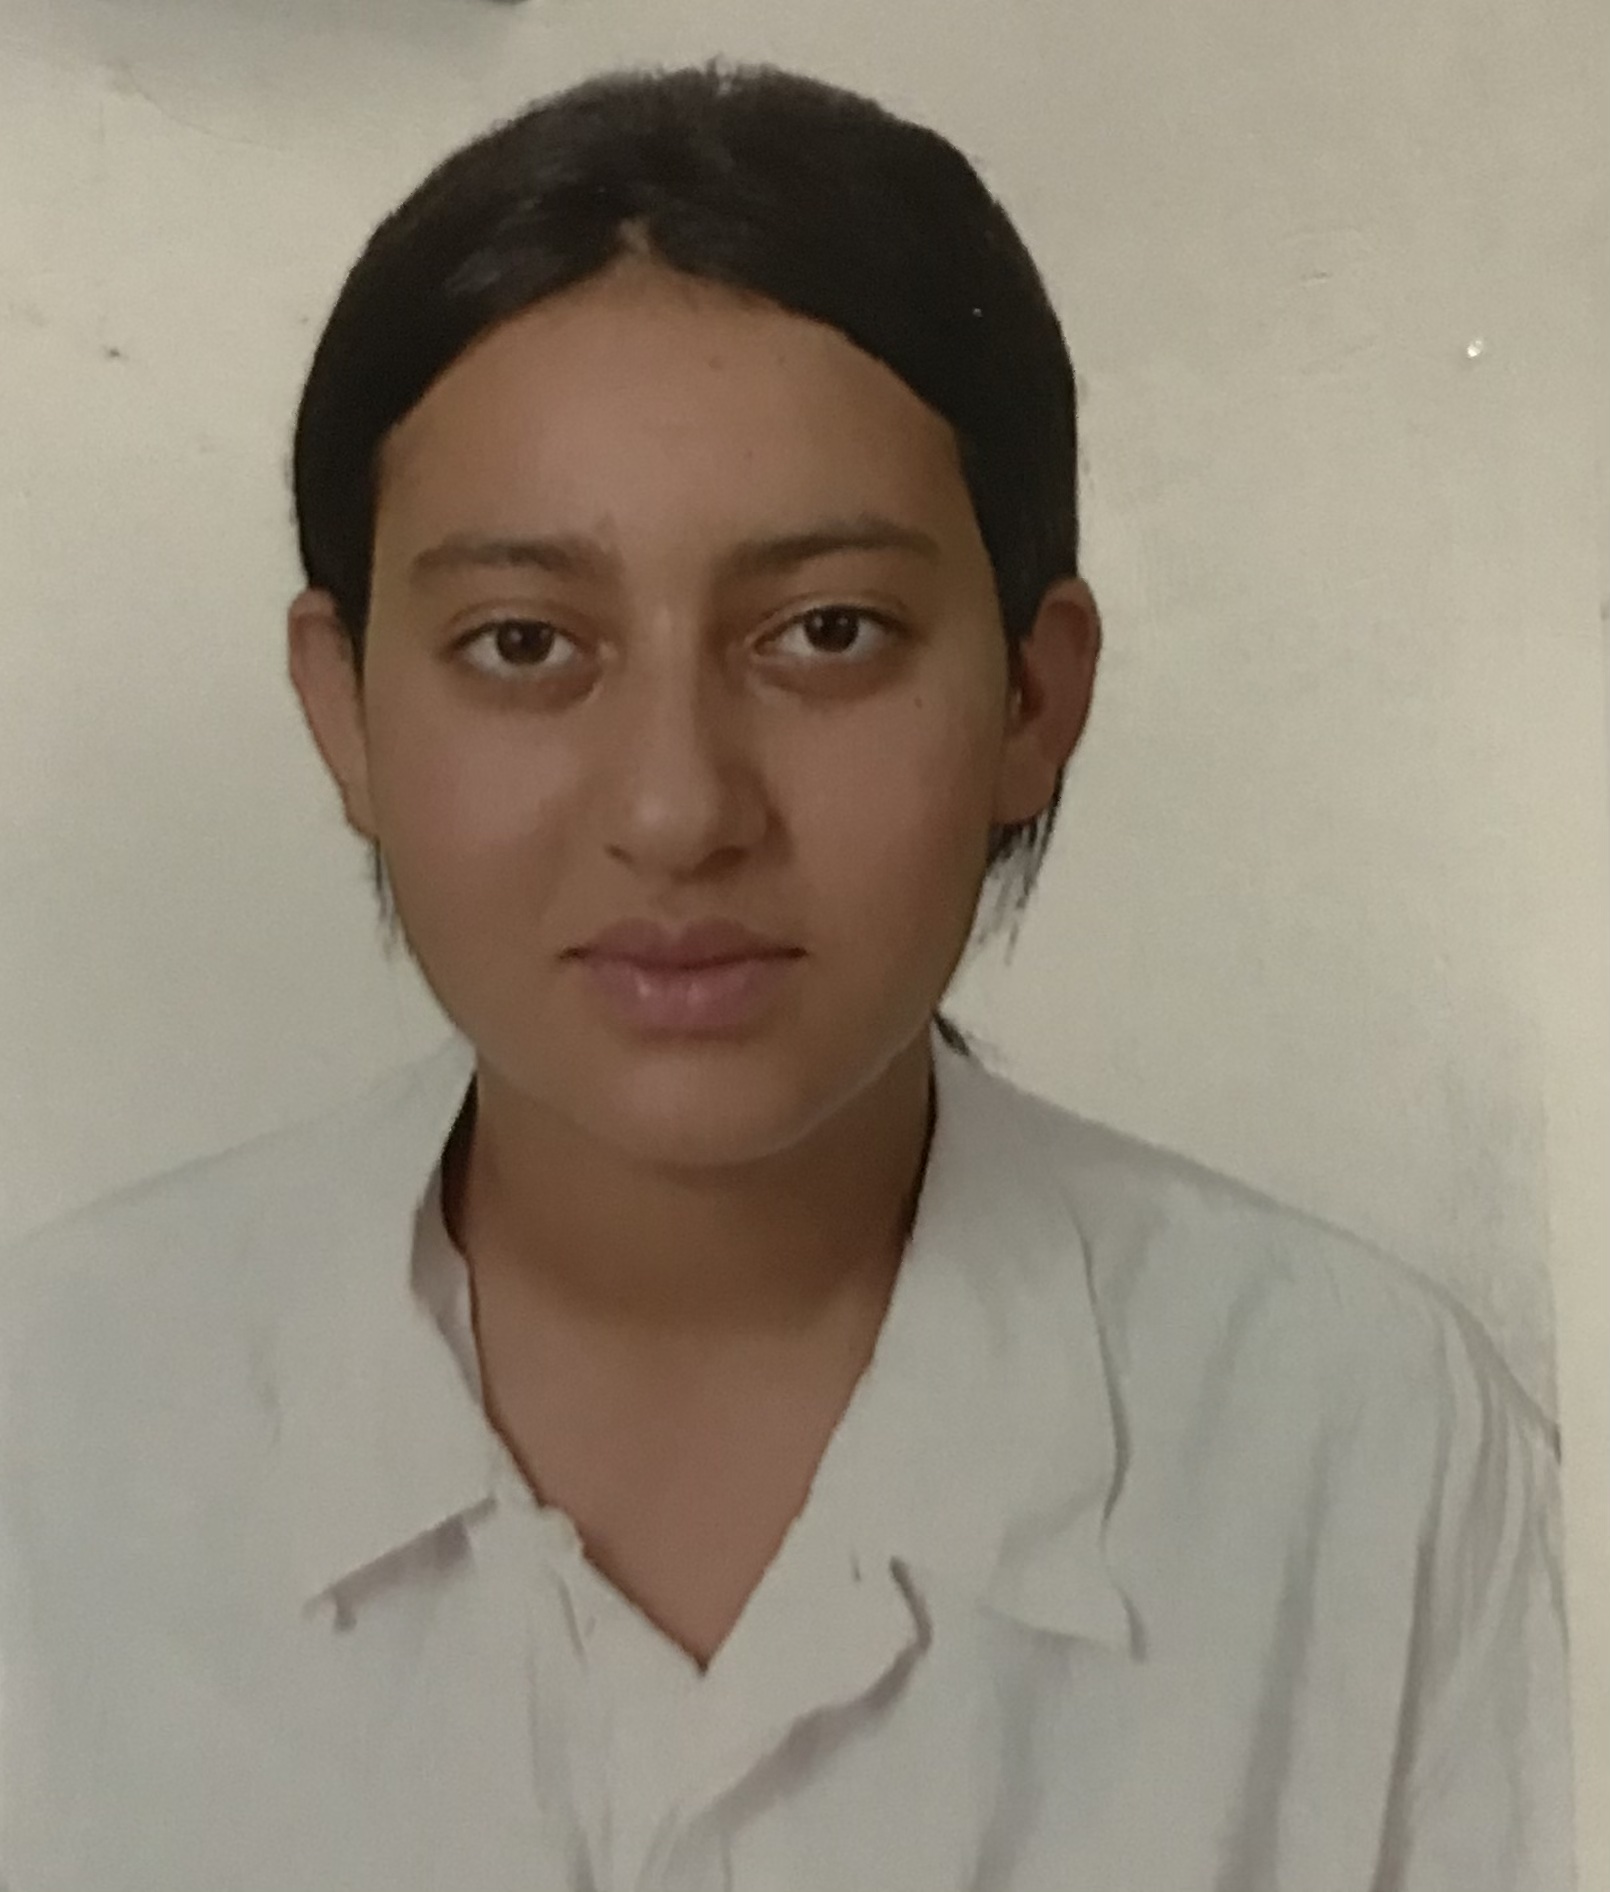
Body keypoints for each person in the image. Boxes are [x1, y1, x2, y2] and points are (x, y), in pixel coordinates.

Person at [0, 59, 1572, 1892]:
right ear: (341, 708)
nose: (677, 811)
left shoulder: (1373, 1462)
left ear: (1033, 697)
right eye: (523, 644)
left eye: (826, 631)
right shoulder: (56, 1435)